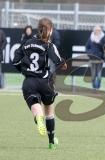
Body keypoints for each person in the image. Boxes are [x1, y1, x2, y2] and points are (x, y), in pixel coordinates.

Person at [12, 18, 67, 149]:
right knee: (49, 111)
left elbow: (15, 61)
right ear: (50, 30)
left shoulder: (26, 43)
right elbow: (59, 62)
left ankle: (38, 119)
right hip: (45, 82)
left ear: (38, 29)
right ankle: (52, 142)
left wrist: (25, 71)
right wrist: (63, 64)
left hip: (29, 81)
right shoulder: (49, 45)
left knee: (35, 105)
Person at [86, 25, 105, 90]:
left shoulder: (103, 38)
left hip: (100, 59)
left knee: (99, 74)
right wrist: (90, 53)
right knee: (93, 74)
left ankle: (98, 86)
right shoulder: (91, 38)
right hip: (92, 59)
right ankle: (94, 86)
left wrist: (99, 43)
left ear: (100, 31)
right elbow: (87, 47)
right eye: (96, 30)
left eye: (98, 30)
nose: (97, 31)